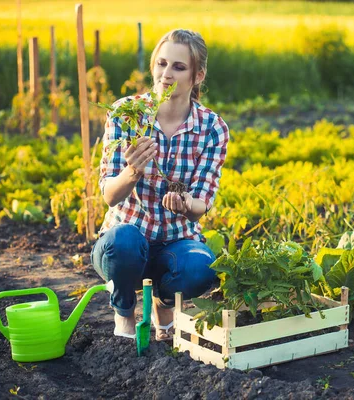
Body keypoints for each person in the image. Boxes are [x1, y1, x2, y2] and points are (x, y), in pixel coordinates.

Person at [91, 29, 229, 341]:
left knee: (201, 268)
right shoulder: (127, 115)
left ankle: (164, 303)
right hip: (127, 239)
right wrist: (131, 172)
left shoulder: (211, 128)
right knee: (123, 242)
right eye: (161, 64)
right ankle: (124, 311)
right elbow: (110, 196)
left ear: (198, 76)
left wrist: (185, 204)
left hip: (176, 241)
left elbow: (201, 204)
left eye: (178, 67)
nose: (166, 75)